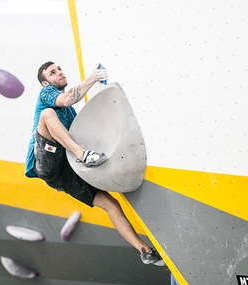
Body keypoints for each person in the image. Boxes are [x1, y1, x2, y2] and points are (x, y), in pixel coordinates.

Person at [25, 61, 164, 266]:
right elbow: (65, 99)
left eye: (60, 69)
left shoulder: (71, 114)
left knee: (111, 205)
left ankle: (145, 252)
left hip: (67, 173)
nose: (59, 73)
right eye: (52, 73)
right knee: (47, 115)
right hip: (45, 162)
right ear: (46, 83)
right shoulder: (46, 95)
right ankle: (83, 155)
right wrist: (93, 77)